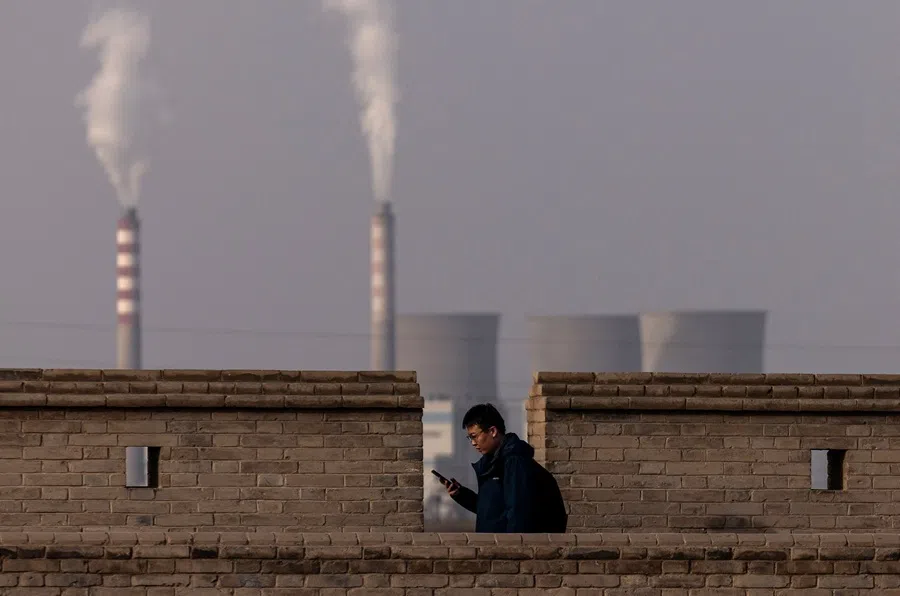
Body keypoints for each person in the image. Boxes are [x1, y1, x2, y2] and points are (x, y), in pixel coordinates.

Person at [438, 403, 567, 533]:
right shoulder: (493, 463)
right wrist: (462, 495)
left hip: (507, 549)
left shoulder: (514, 462)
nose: (472, 442)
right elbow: (492, 511)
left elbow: (518, 513)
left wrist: (510, 550)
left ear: (493, 431)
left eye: (474, 436)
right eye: (470, 438)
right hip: (494, 547)